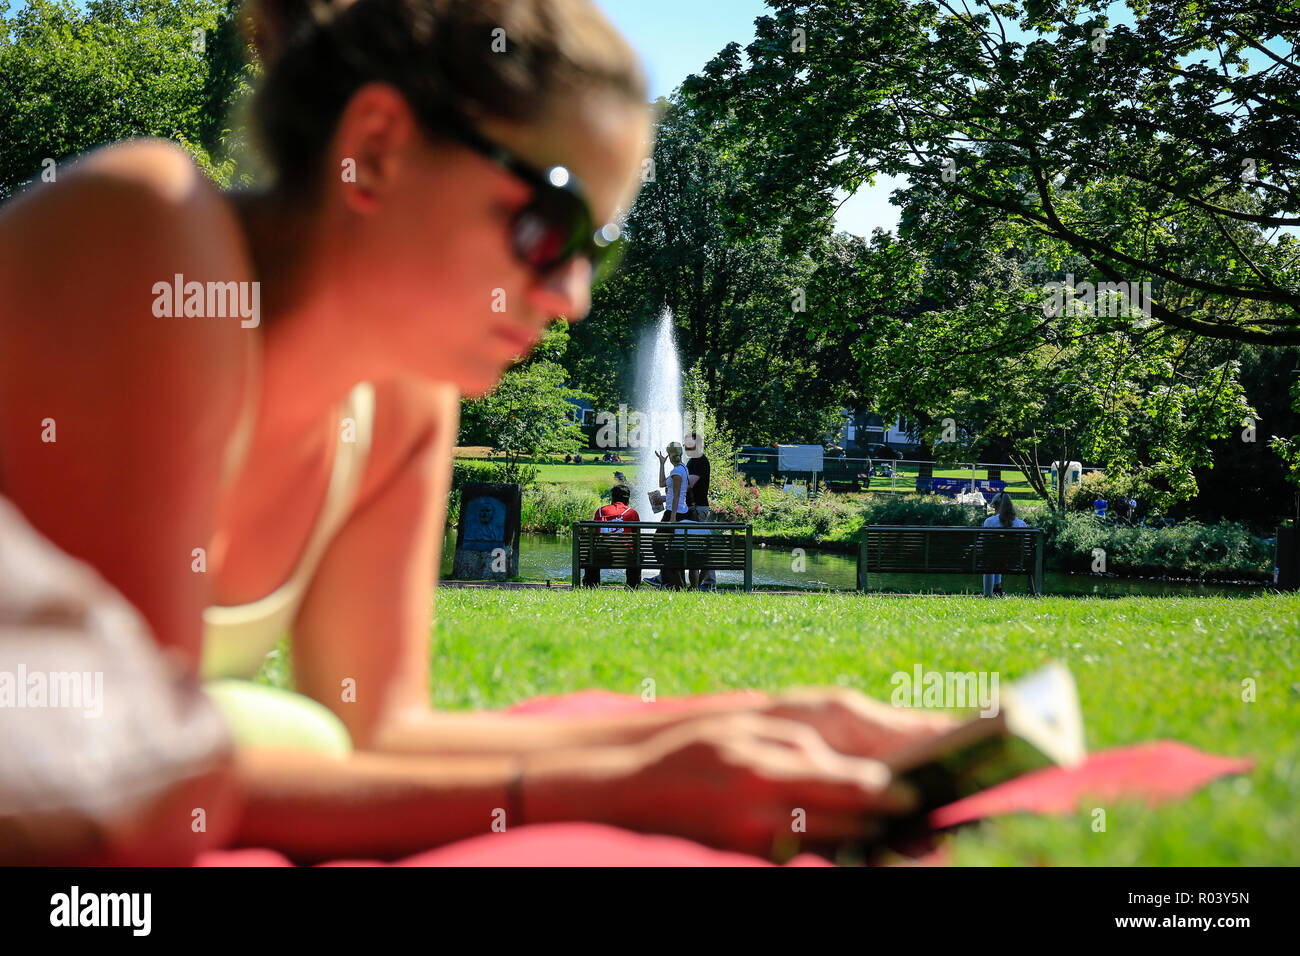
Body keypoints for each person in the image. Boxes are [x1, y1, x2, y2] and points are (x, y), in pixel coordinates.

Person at [0, 0, 955, 863]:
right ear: (375, 149)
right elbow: (139, 770)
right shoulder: (146, 228)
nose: (573, 299)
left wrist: (780, 720)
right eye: (548, 224)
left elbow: (385, 733)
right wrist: (616, 793)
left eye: (597, 249)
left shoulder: (401, 403)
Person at [581, 483, 641, 588]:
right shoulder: (632, 513)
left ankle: (591, 586)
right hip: (625, 556)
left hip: (603, 555)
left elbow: (594, 535)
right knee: (637, 555)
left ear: (612, 498)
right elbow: (637, 538)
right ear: (628, 500)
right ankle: (632, 586)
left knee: (591, 555)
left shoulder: (600, 511)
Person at [684, 432, 715, 591]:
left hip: (698, 509)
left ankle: (707, 583)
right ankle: (704, 583)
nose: (685, 446)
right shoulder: (693, 461)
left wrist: (673, 485)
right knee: (698, 546)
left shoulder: (699, 461)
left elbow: (690, 483)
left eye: (688, 443)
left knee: (700, 547)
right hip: (694, 508)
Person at [982, 494, 1028, 597]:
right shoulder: (1021, 524)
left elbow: (984, 546)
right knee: (997, 555)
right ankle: (997, 588)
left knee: (991, 557)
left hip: (992, 561)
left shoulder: (989, 522)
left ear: (997, 506)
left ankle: (987, 594)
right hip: (1015, 562)